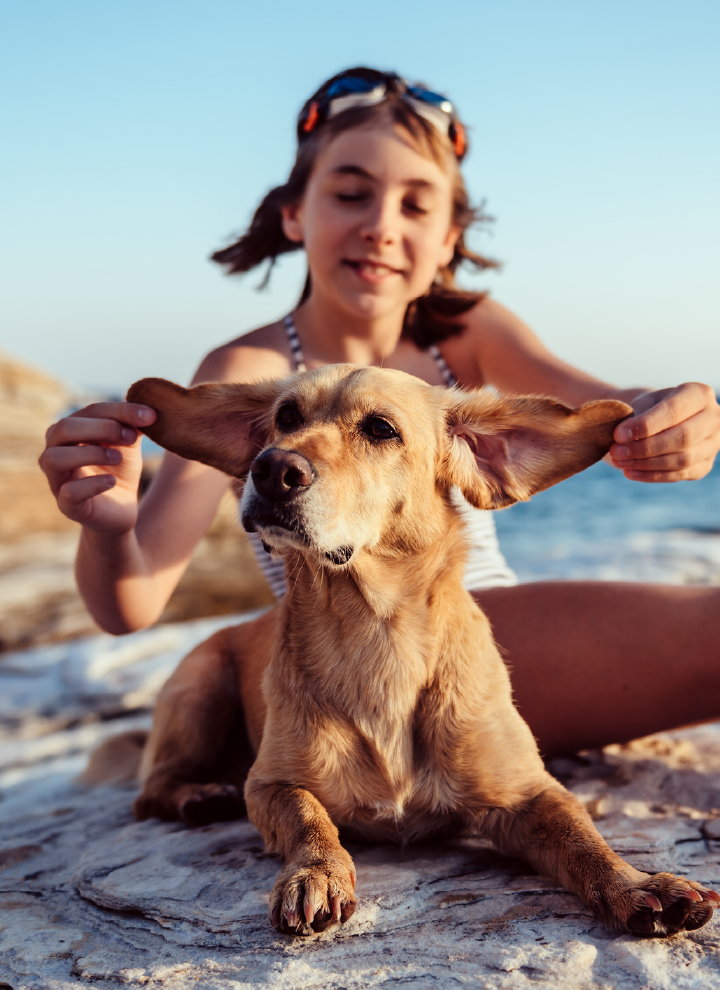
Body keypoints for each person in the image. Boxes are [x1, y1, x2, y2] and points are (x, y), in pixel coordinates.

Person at [40, 68, 720, 757]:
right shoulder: (249, 373)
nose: (380, 227)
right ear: (295, 213)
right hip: (355, 672)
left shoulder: (468, 332)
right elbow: (132, 606)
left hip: (478, 647)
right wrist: (106, 526)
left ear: (451, 236)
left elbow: (603, 410)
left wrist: (677, 414)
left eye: (417, 206)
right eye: (350, 193)